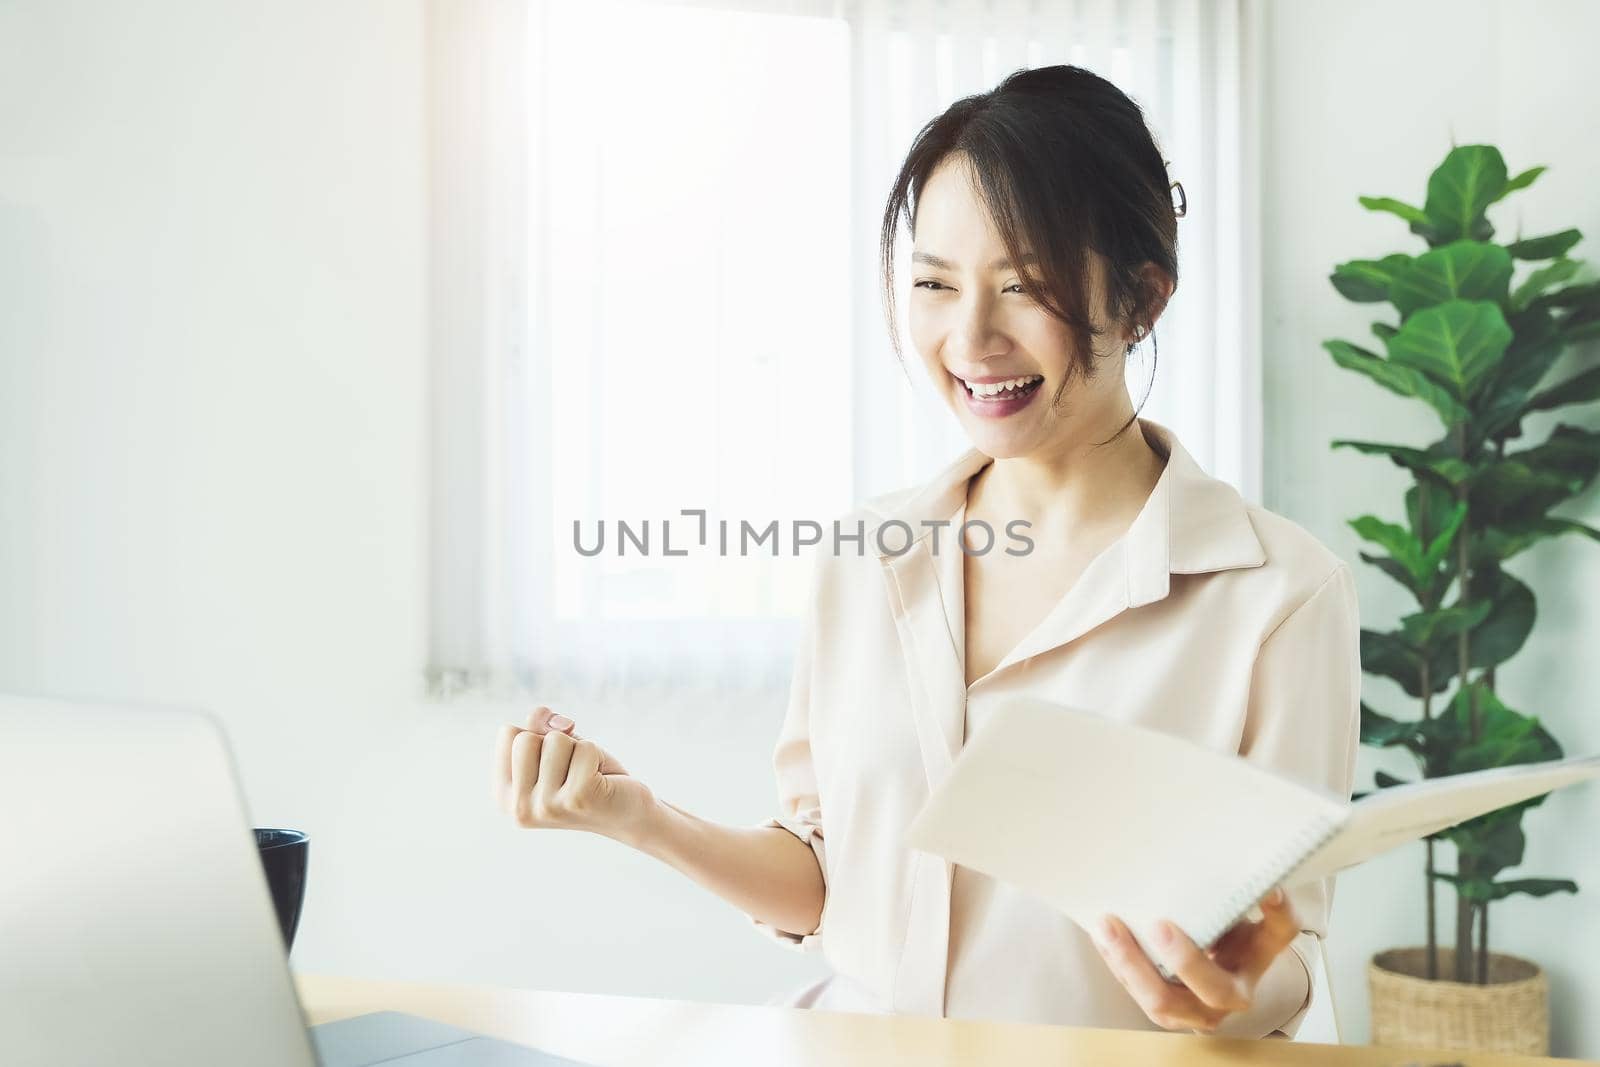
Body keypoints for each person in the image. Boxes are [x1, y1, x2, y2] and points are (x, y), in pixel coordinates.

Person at [491, 64, 1359, 1040]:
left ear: (1141, 298)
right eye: (935, 286)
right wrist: (639, 816)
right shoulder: (867, 557)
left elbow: (1289, 945)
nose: (970, 338)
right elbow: (831, 883)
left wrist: (1239, 989)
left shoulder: (1277, 594)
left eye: (1022, 286)